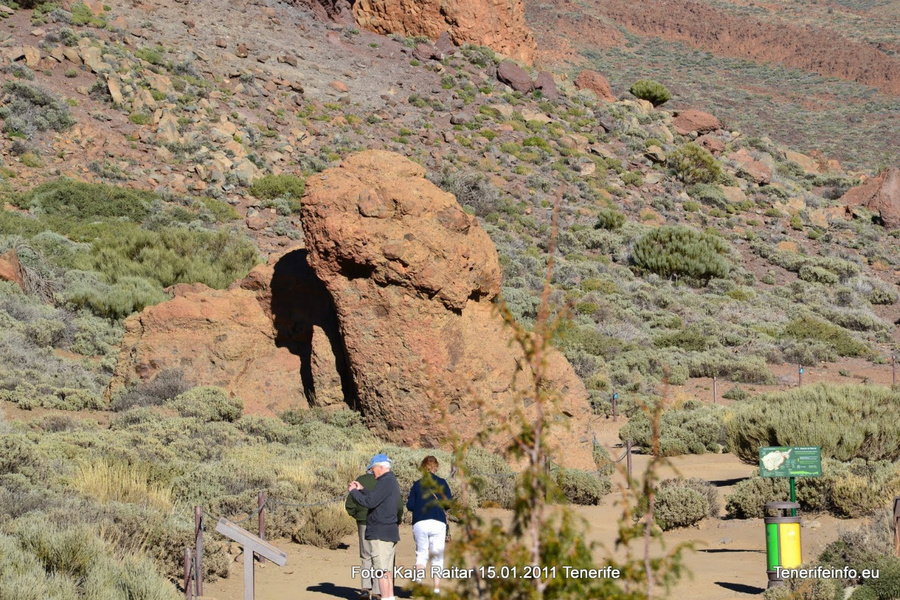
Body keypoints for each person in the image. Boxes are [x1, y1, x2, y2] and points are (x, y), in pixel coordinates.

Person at [346, 464, 404, 600]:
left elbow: (350, 504)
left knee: (367, 556)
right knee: (383, 563)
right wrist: (398, 519)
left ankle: (366, 588)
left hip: (367, 523)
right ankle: (378, 592)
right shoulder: (389, 481)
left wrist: (358, 516)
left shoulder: (367, 479)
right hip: (385, 525)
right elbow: (399, 505)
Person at [406, 455, 453, 595]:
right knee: (437, 557)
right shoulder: (442, 483)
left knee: (421, 554)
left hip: (420, 521)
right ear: (436, 467)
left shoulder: (416, 484)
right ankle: (436, 589)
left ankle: (418, 585)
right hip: (438, 521)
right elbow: (448, 503)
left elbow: (410, 505)